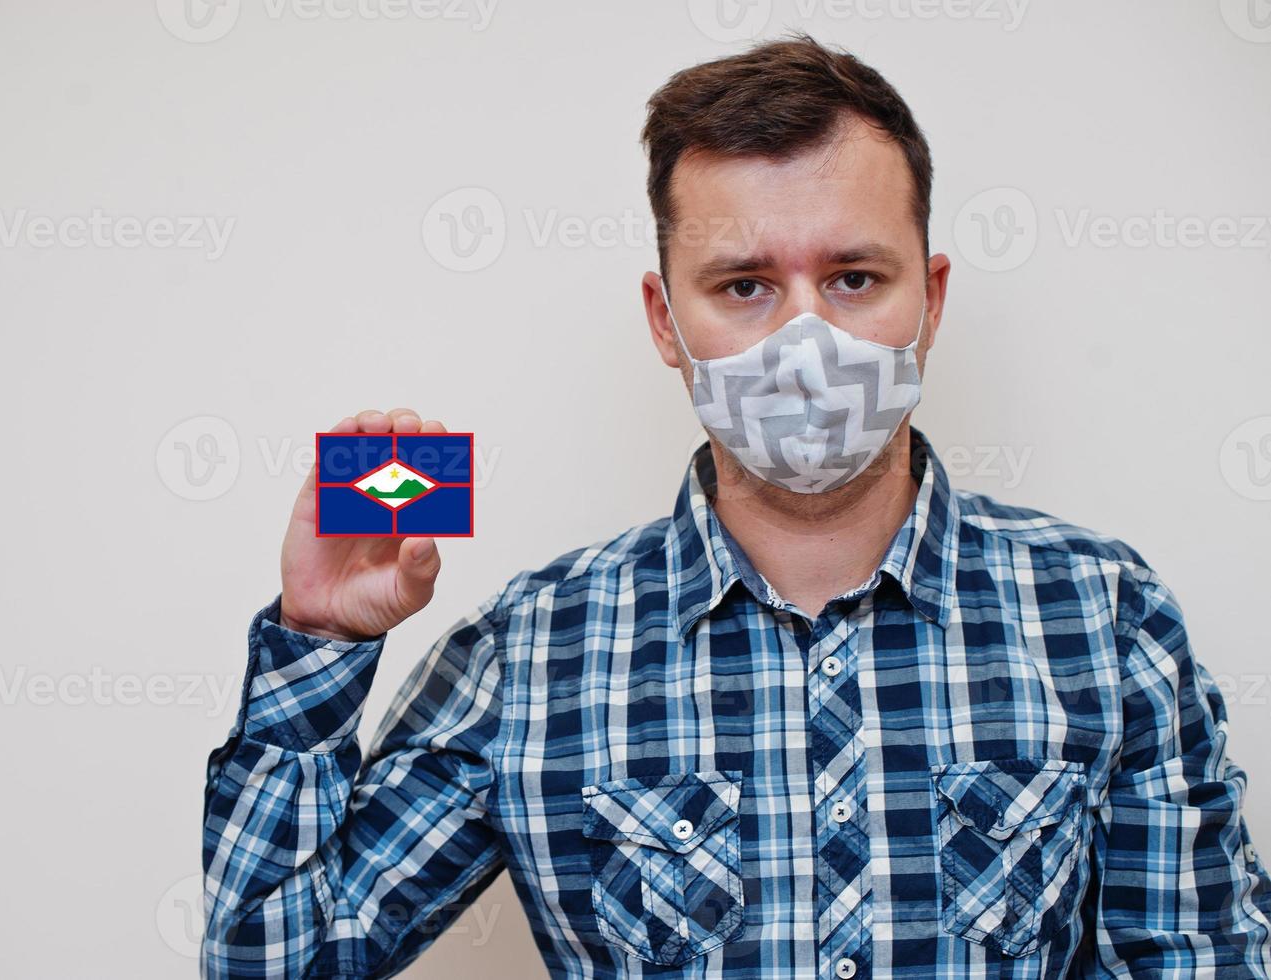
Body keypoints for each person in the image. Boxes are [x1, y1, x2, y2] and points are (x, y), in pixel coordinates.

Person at [200, 34, 1271, 978]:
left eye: (854, 277)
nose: (806, 340)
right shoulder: (532, 651)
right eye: (745, 285)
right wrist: (320, 643)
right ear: (666, 320)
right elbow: (273, 958)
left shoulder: (1103, 613)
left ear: (930, 299)